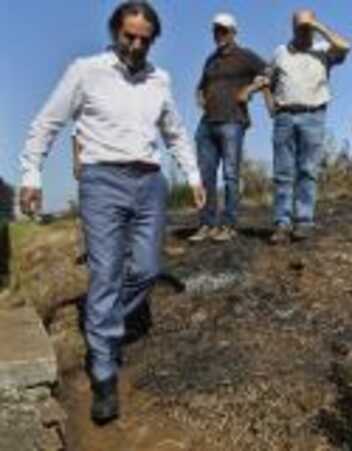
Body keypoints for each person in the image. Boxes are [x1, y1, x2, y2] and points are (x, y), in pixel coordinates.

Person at [19, 1, 205, 425]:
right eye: (129, 36)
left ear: (153, 41)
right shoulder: (86, 71)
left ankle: (102, 323)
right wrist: (31, 174)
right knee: (105, 274)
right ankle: (104, 372)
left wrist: (194, 174)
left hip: (150, 182)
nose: (136, 45)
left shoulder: (160, 80)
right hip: (102, 180)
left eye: (144, 39)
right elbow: (47, 122)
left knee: (147, 269)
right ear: (115, 32)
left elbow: (175, 132)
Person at [245, 9, 351, 244]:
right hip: (284, 117)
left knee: (307, 170)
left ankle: (304, 222)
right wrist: (271, 107)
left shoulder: (324, 49)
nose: (304, 32)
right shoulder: (280, 52)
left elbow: (346, 47)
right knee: (283, 173)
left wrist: (317, 26)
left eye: (307, 28)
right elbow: (268, 81)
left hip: (314, 116)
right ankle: (282, 223)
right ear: (292, 28)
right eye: (300, 27)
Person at [188, 13, 268, 243]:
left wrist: (250, 89)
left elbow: (270, 72)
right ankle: (207, 224)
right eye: (216, 31)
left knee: (231, 175)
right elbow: (200, 86)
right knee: (206, 176)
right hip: (207, 124)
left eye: (223, 30)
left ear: (233, 32)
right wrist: (199, 97)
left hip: (233, 121)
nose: (219, 35)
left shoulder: (245, 56)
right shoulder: (210, 60)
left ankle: (229, 225)